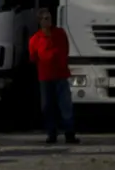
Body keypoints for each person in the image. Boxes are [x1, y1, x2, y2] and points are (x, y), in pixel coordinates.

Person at [29, 9, 79, 144]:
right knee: (47, 106)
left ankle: (69, 134)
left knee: (65, 105)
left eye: (49, 18)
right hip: (45, 78)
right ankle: (52, 134)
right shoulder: (35, 39)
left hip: (61, 75)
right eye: (45, 18)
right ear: (40, 21)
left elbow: (66, 49)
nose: (48, 20)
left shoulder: (60, 33)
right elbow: (33, 57)